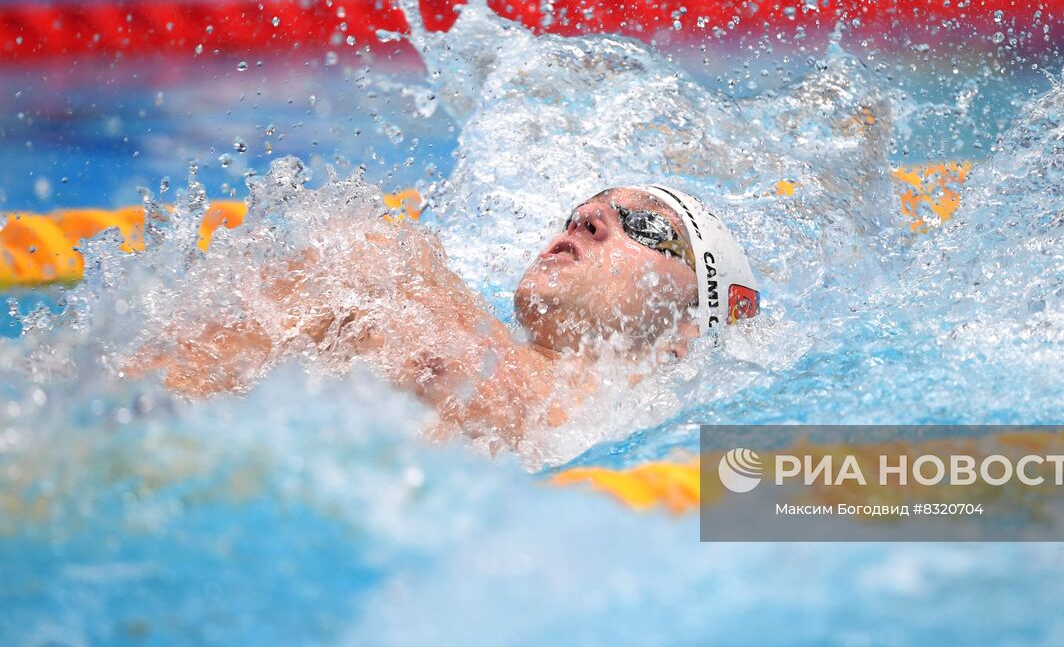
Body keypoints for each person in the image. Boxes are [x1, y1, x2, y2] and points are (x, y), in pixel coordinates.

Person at [127, 184, 760, 450]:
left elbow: (835, 500)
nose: (588, 218)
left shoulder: (673, 434)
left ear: (688, 325)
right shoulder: (409, 287)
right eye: (581, 208)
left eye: (646, 225)